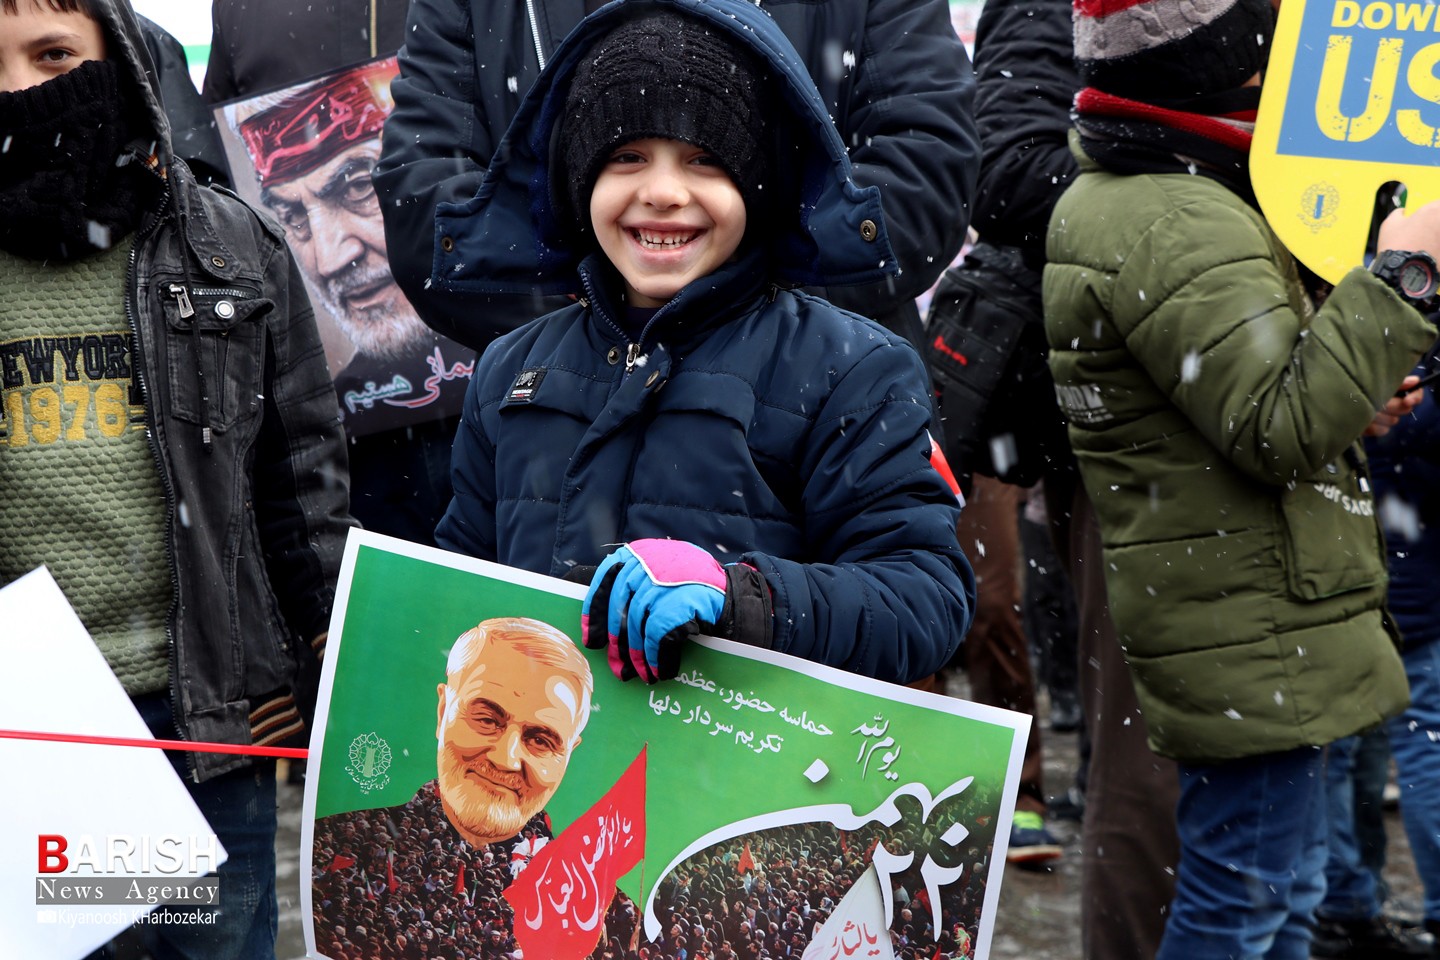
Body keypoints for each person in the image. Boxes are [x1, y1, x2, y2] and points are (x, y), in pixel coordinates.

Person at [1043, 0, 1440, 954]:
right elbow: (1277, 426)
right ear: (1233, 67)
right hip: (1249, 624)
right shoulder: (1177, 213)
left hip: (1242, 614)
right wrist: (1408, 274)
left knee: (1282, 890)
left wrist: (1354, 395)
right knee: (1248, 899)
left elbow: (1254, 399)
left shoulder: (1155, 191)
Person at [431, 0, 974, 688]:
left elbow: (924, 601)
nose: (662, 191)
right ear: (578, 179)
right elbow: (455, 596)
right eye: (626, 156)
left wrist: (741, 597)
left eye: (705, 160)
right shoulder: (510, 371)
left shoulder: (852, 370)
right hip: (563, 774)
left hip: (757, 779)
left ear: (760, 185)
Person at [0, 2, 355, 958]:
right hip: (27, 740)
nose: (21, 90)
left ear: (119, 62)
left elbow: (298, 474)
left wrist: (317, 657)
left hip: (198, 728)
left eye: (54, 55)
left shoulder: (226, 247)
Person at [373, 0, 978, 360]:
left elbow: (924, 171)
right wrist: (602, 330)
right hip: (556, 424)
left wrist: (745, 317)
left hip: (823, 404)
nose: (663, 193)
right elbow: (426, 200)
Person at [204, 0, 462, 548]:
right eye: (292, 215)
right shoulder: (243, 9)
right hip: (342, 452)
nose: (328, 257)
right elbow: (211, 170)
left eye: (358, 185)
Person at [311, 617, 594, 957]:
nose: (505, 759)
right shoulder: (333, 842)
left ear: (569, 754)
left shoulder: (595, 903)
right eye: (487, 721)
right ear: (443, 710)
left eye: (540, 740)